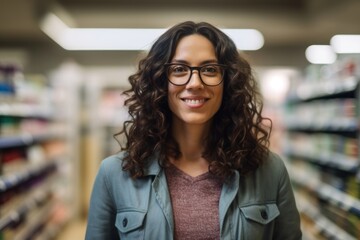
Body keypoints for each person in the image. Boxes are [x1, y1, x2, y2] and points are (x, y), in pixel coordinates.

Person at [85, 21, 302, 240]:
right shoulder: (114, 174)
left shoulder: (269, 171)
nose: (195, 82)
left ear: (228, 83)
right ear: (159, 82)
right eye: (179, 69)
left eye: (209, 69)